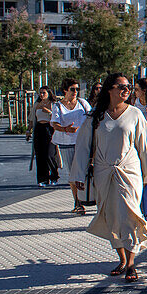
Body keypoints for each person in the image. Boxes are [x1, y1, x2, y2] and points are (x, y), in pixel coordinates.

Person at [70, 73, 147, 284]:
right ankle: (122, 259)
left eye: (128, 87)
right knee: (112, 218)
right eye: (121, 86)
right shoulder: (95, 117)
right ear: (109, 90)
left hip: (129, 174)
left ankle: (131, 264)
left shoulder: (135, 114)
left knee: (129, 217)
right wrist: (78, 175)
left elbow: (146, 147)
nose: (126, 90)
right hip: (104, 174)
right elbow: (83, 147)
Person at [51, 78, 91, 213]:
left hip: (83, 142)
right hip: (66, 143)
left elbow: (92, 118)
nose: (75, 92)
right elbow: (54, 123)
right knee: (73, 174)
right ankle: (78, 202)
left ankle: (89, 197)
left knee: (85, 171)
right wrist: (65, 129)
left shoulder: (83, 103)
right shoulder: (58, 106)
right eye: (72, 89)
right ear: (65, 90)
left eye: (77, 89)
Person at [27, 86, 59, 187]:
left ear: (49, 93)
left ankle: (54, 176)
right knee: (40, 155)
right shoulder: (36, 104)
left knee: (50, 154)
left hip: (50, 129)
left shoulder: (54, 104)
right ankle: (42, 179)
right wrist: (28, 130)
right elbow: (32, 119)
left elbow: (58, 117)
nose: (41, 95)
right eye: (40, 93)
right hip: (39, 129)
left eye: (43, 93)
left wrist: (49, 112)